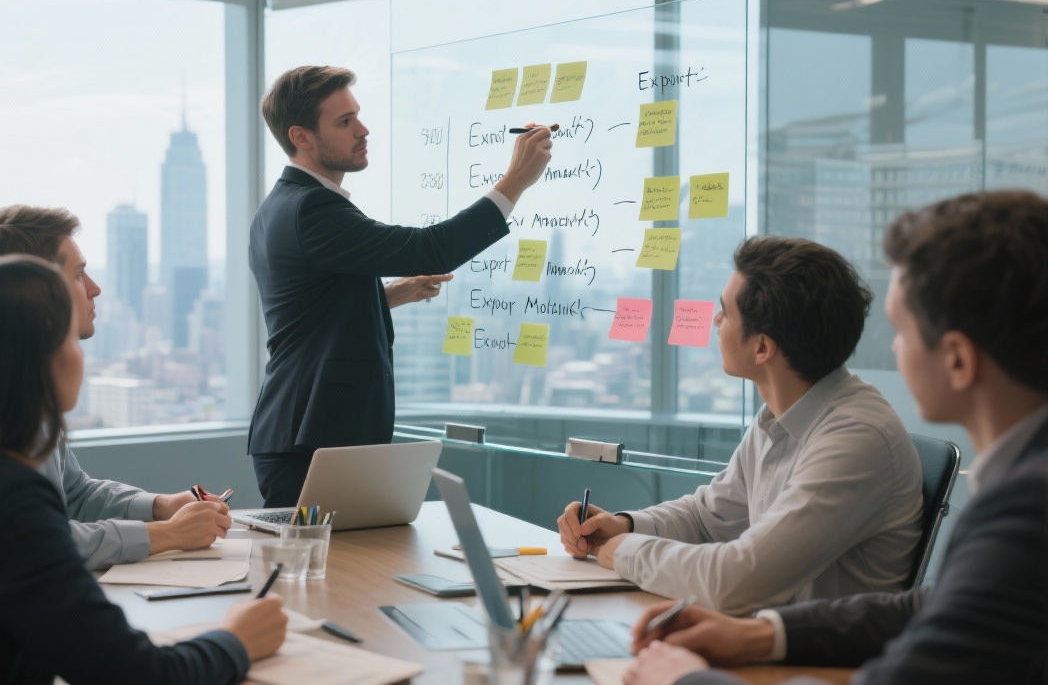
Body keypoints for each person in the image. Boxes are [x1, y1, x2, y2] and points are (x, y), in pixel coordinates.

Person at [623, 190, 1048, 685]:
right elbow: (931, 605)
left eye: (901, 331)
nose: (893, 348)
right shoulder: (1023, 485)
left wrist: (686, 681)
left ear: (957, 359)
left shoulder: (1027, 511)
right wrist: (762, 635)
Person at [0, 256, 287, 685]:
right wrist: (235, 641)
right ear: (35, 362)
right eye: (67, 337)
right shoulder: (1, 497)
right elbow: (137, 676)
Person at [557, 236, 922, 614]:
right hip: (764, 646)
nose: (716, 321)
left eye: (725, 313)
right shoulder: (778, 417)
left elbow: (735, 581)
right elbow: (708, 519)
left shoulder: (857, 439)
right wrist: (625, 526)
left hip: (820, 668)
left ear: (762, 348)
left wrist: (623, 552)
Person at [250, 65, 554, 506]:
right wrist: (515, 181)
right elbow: (432, 248)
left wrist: (385, 295)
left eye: (357, 114)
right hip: (310, 439)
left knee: (338, 569)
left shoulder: (281, 205)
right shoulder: (312, 209)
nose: (363, 129)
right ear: (301, 137)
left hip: (305, 433)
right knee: (325, 569)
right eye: (344, 121)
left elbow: (307, 309)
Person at [0, 205, 227, 569]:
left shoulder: (21, 388)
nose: (95, 289)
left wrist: (162, 507)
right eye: (79, 274)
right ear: (38, 292)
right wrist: (169, 534)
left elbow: (75, 495)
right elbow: (33, 541)